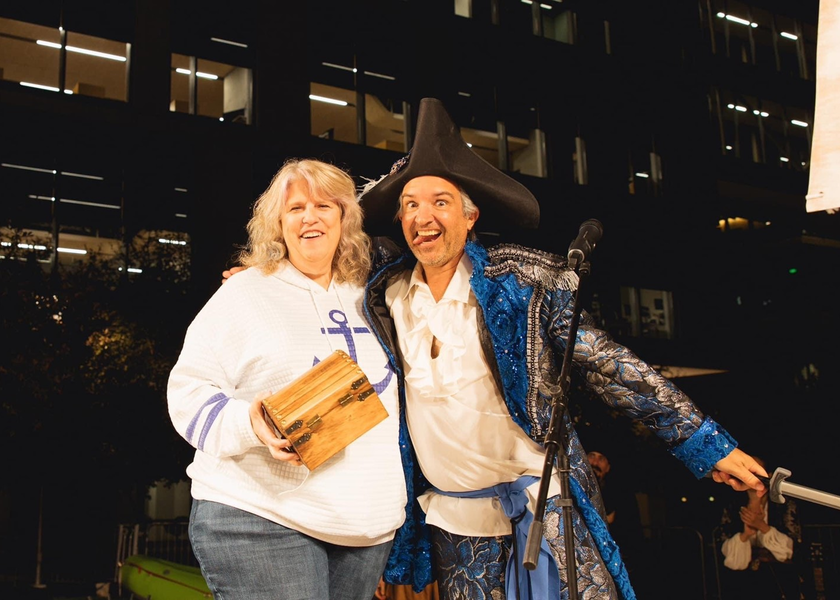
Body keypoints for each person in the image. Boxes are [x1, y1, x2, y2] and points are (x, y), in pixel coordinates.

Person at [222, 98, 769, 600]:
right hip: (458, 529)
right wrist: (269, 272)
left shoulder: (524, 283)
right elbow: (321, 256)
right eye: (410, 204)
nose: (422, 216)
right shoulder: (385, 292)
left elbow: (609, 366)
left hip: (546, 511)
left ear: (470, 214)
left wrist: (706, 445)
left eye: (440, 201)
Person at [168, 158, 408, 600]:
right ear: (278, 222)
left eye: (324, 205)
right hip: (261, 512)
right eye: (296, 208)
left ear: (345, 218)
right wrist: (250, 424)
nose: (310, 217)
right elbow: (188, 389)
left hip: (364, 529)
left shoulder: (378, 293)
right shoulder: (245, 292)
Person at [718, 456, 802, 600]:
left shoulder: (783, 505)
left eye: (755, 471)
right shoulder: (733, 506)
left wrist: (762, 526)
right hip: (742, 582)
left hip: (779, 578)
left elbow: (792, 549)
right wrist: (746, 534)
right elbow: (725, 548)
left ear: (768, 476)